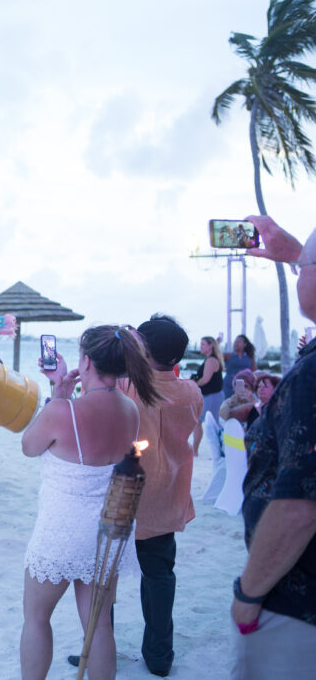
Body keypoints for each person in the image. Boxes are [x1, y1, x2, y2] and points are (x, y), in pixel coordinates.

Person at [20, 325, 160, 680]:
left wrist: (57, 395)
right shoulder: (129, 409)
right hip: (107, 529)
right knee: (98, 627)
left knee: (36, 618)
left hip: (62, 529)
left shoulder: (63, 411)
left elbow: (29, 447)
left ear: (85, 360)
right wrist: (62, 393)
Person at [231, 214, 316, 677]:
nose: (299, 270)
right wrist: (296, 252)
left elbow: (301, 505)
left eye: (305, 266)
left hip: (297, 600)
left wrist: (249, 593)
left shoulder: (312, 375)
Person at [122, 315, 203, 677]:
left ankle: (99, 647)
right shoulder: (192, 392)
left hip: (125, 493)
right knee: (159, 576)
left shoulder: (127, 387)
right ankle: (159, 656)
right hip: (167, 492)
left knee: (103, 577)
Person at [190, 335, 224, 456]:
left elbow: (205, 379)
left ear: (210, 346)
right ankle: (198, 450)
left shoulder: (210, 360)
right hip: (214, 395)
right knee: (209, 423)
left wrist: (194, 384)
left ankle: (195, 451)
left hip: (212, 396)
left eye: (203, 344)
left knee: (200, 422)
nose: (200, 346)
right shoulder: (211, 359)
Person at [223, 334, 257, 399]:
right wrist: (217, 343)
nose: (236, 343)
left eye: (239, 342)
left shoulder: (250, 358)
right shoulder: (228, 356)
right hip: (229, 385)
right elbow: (216, 356)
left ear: (245, 344)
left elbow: (254, 373)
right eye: (235, 341)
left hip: (245, 386)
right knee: (228, 404)